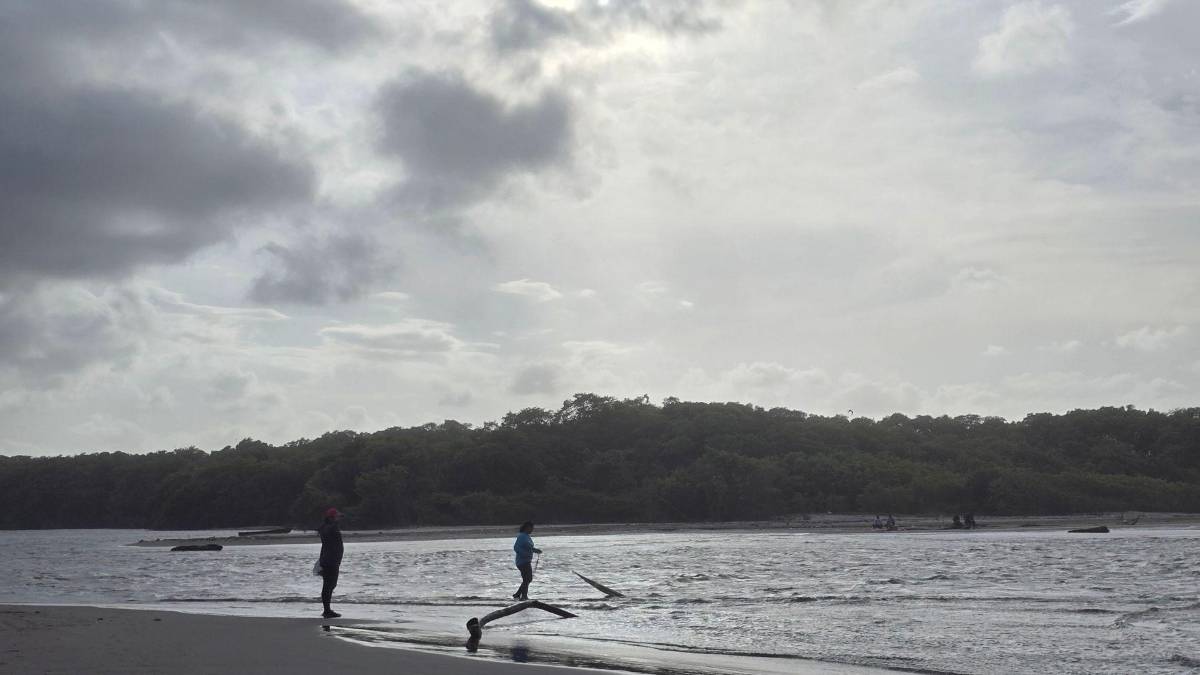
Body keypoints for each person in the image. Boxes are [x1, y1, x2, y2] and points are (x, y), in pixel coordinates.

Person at [318, 507, 344, 618]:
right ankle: (327, 611)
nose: (339, 518)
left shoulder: (324, 528)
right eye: (337, 516)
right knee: (330, 585)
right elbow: (336, 544)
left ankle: (327, 610)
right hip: (331, 560)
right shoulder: (332, 528)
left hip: (326, 559)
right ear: (332, 517)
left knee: (328, 585)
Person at [512, 521, 542, 601]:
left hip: (526, 561)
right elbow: (516, 548)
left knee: (527, 579)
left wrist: (535, 550)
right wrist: (524, 554)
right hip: (522, 561)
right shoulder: (522, 536)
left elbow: (529, 548)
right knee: (527, 579)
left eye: (532, 528)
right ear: (526, 528)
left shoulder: (527, 536)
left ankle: (517, 594)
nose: (532, 529)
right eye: (531, 528)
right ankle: (523, 596)